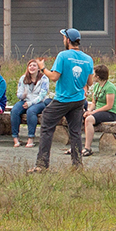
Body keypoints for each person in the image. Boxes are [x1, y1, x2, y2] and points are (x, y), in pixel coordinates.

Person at [34, 28, 96, 171]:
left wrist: (43, 68)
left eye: (63, 38)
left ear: (68, 40)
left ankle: (42, 165)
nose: (63, 40)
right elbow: (90, 82)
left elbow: (54, 77)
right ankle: (77, 165)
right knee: (75, 132)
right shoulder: (88, 59)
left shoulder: (63, 55)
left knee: (46, 125)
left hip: (63, 99)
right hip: (79, 100)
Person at [10, 59, 51, 148]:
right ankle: (15, 137)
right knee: (15, 110)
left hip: (39, 102)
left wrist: (30, 103)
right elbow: (19, 94)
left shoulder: (44, 79)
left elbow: (42, 95)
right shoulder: (23, 78)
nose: (32, 67)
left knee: (31, 111)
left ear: (38, 68)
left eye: (34, 65)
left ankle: (31, 137)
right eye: (30, 66)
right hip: (25, 100)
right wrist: (23, 95)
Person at [84, 64, 116, 156]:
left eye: (93, 74)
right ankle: (76, 146)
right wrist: (89, 111)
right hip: (98, 112)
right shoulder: (96, 87)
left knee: (89, 120)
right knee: (80, 117)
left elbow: (109, 105)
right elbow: (94, 103)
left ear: (97, 76)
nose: (92, 76)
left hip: (109, 113)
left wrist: (94, 112)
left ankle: (87, 148)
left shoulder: (109, 87)